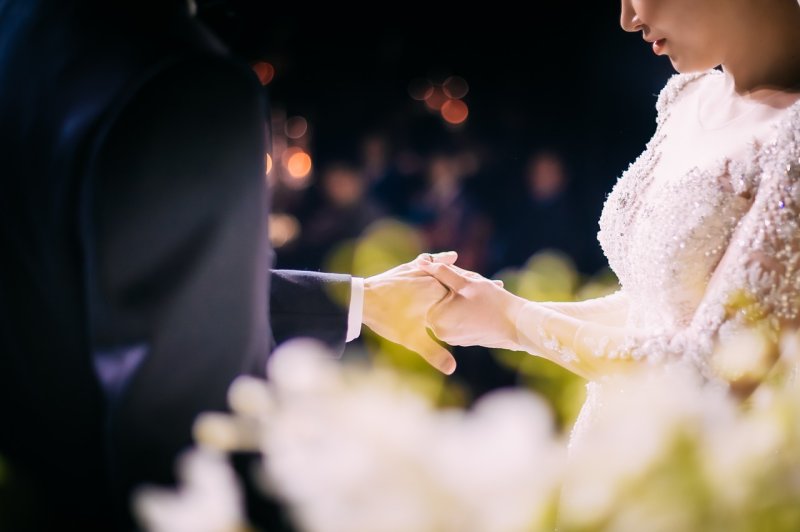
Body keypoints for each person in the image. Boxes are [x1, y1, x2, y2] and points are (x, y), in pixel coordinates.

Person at [0, 0, 455, 528]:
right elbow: (187, 450)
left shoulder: (21, 29)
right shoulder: (186, 81)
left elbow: (116, 286)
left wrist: (357, 301)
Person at [420, 0, 800, 440]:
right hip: (611, 453)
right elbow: (656, 307)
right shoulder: (687, 98)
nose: (627, 19)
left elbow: (709, 376)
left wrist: (516, 321)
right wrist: (487, 308)